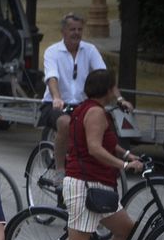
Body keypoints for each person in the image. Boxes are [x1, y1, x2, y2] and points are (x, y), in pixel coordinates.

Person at [60, 70, 144, 240]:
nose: (116, 90)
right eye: (114, 87)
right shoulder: (95, 112)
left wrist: (127, 155)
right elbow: (95, 149)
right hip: (84, 184)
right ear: (107, 89)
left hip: (100, 185)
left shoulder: (92, 109)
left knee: (125, 227)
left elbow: (107, 142)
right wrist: (124, 166)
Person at [39, 14, 130, 186]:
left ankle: (98, 169)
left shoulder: (89, 50)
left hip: (82, 105)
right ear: (63, 31)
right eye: (72, 29)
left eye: (80, 29)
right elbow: (52, 78)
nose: (76, 33)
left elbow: (105, 77)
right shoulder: (52, 51)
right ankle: (59, 170)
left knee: (101, 128)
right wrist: (57, 97)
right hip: (56, 104)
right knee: (66, 123)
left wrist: (119, 98)